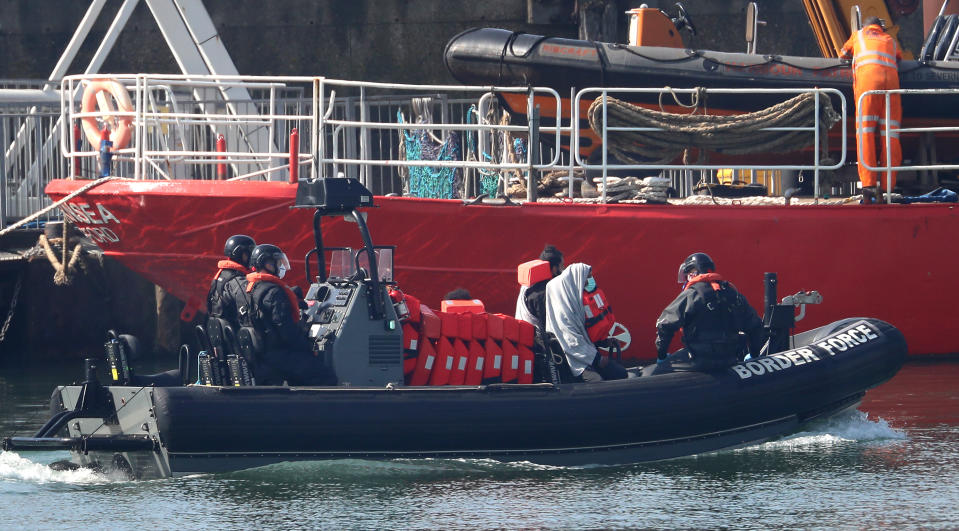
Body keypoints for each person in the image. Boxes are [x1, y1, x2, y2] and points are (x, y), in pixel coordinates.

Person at [653, 253, 764, 373]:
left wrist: (662, 355)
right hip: (730, 358)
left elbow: (665, 325)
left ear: (693, 273)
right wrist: (754, 354)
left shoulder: (692, 294)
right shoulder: (732, 293)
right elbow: (755, 326)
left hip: (700, 359)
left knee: (654, 372)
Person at [245, 244, 336, 386]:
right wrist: (308, 347)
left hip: (262, 353)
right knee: (324, 374)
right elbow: (286, 331)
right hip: (277, 354)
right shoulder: (274, 292)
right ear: (267, 264)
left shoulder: (252, 288)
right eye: (277, 262)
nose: (280, 266)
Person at [839, 16, 902, 204]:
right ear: (881, 28)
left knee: (865, 133)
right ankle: (887, 187)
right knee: (890, 135)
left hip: (868, 85)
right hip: (891, 86)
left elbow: (842, 53)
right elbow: (898, 57)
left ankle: (868, 185)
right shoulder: (890, 40)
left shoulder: (857, 36)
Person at [545, 262, 627, 382]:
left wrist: (603, 342)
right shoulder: (564, 314)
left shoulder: (576, 304)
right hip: (574, 361)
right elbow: (572, 342)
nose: (589, 282)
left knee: (620, 373)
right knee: (597, 380)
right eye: (587, 278)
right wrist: (597, 359)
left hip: (587, 355)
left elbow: (586, 333)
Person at [207, 234, 256, 332]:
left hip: (220, 335)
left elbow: (209, 305)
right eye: (249, 254)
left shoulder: (220, 276)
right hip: (236, 338)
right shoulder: (238, 282)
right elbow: (248, 316)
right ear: (238, 254)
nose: (252, 259)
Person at [516, 244, 564, 330]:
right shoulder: (542, 293)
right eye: (561, 266)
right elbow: (548, 328)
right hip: (534, 341)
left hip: (525, 335)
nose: (563, 270)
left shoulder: (528, 285)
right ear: (554, 269)